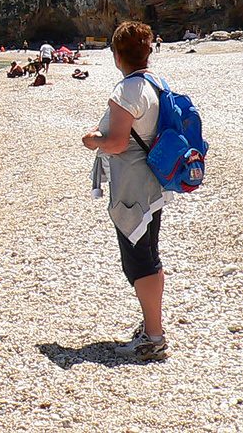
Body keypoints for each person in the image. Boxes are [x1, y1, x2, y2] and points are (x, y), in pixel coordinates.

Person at [81, 20, 170, 360]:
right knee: (149, 253)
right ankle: (152, 326)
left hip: (133, 185)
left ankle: (153, 336)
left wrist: (92, 141)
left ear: (117, 54)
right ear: (147, 51)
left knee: (138, 261)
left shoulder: (127, 91)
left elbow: (116, 143)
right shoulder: (155, 84)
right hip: (153, 181)